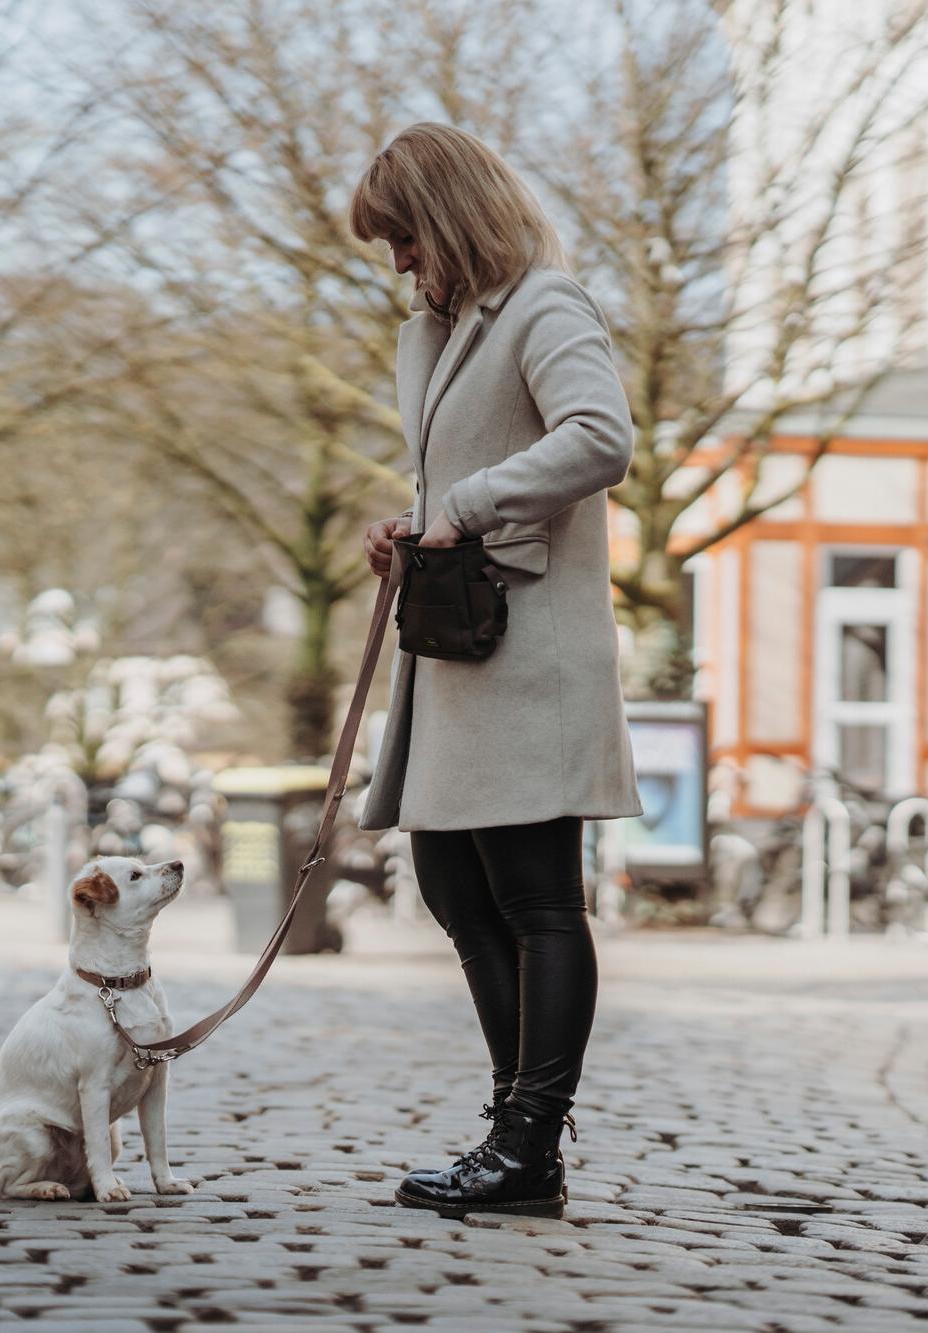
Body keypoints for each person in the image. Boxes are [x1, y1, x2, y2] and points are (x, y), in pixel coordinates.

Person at [348, 122, 643, 1219]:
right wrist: (412, 524)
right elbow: (465, 469)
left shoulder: (546, 304)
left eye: (406, 237)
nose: (399, 262)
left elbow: (599, 437)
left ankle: (526, 1149)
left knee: (534, 899)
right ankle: (517, 1142)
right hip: (460, 648)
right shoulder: (434, 332)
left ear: (450, 217)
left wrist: (461, 508)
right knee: (454, 890)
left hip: (529, 653)